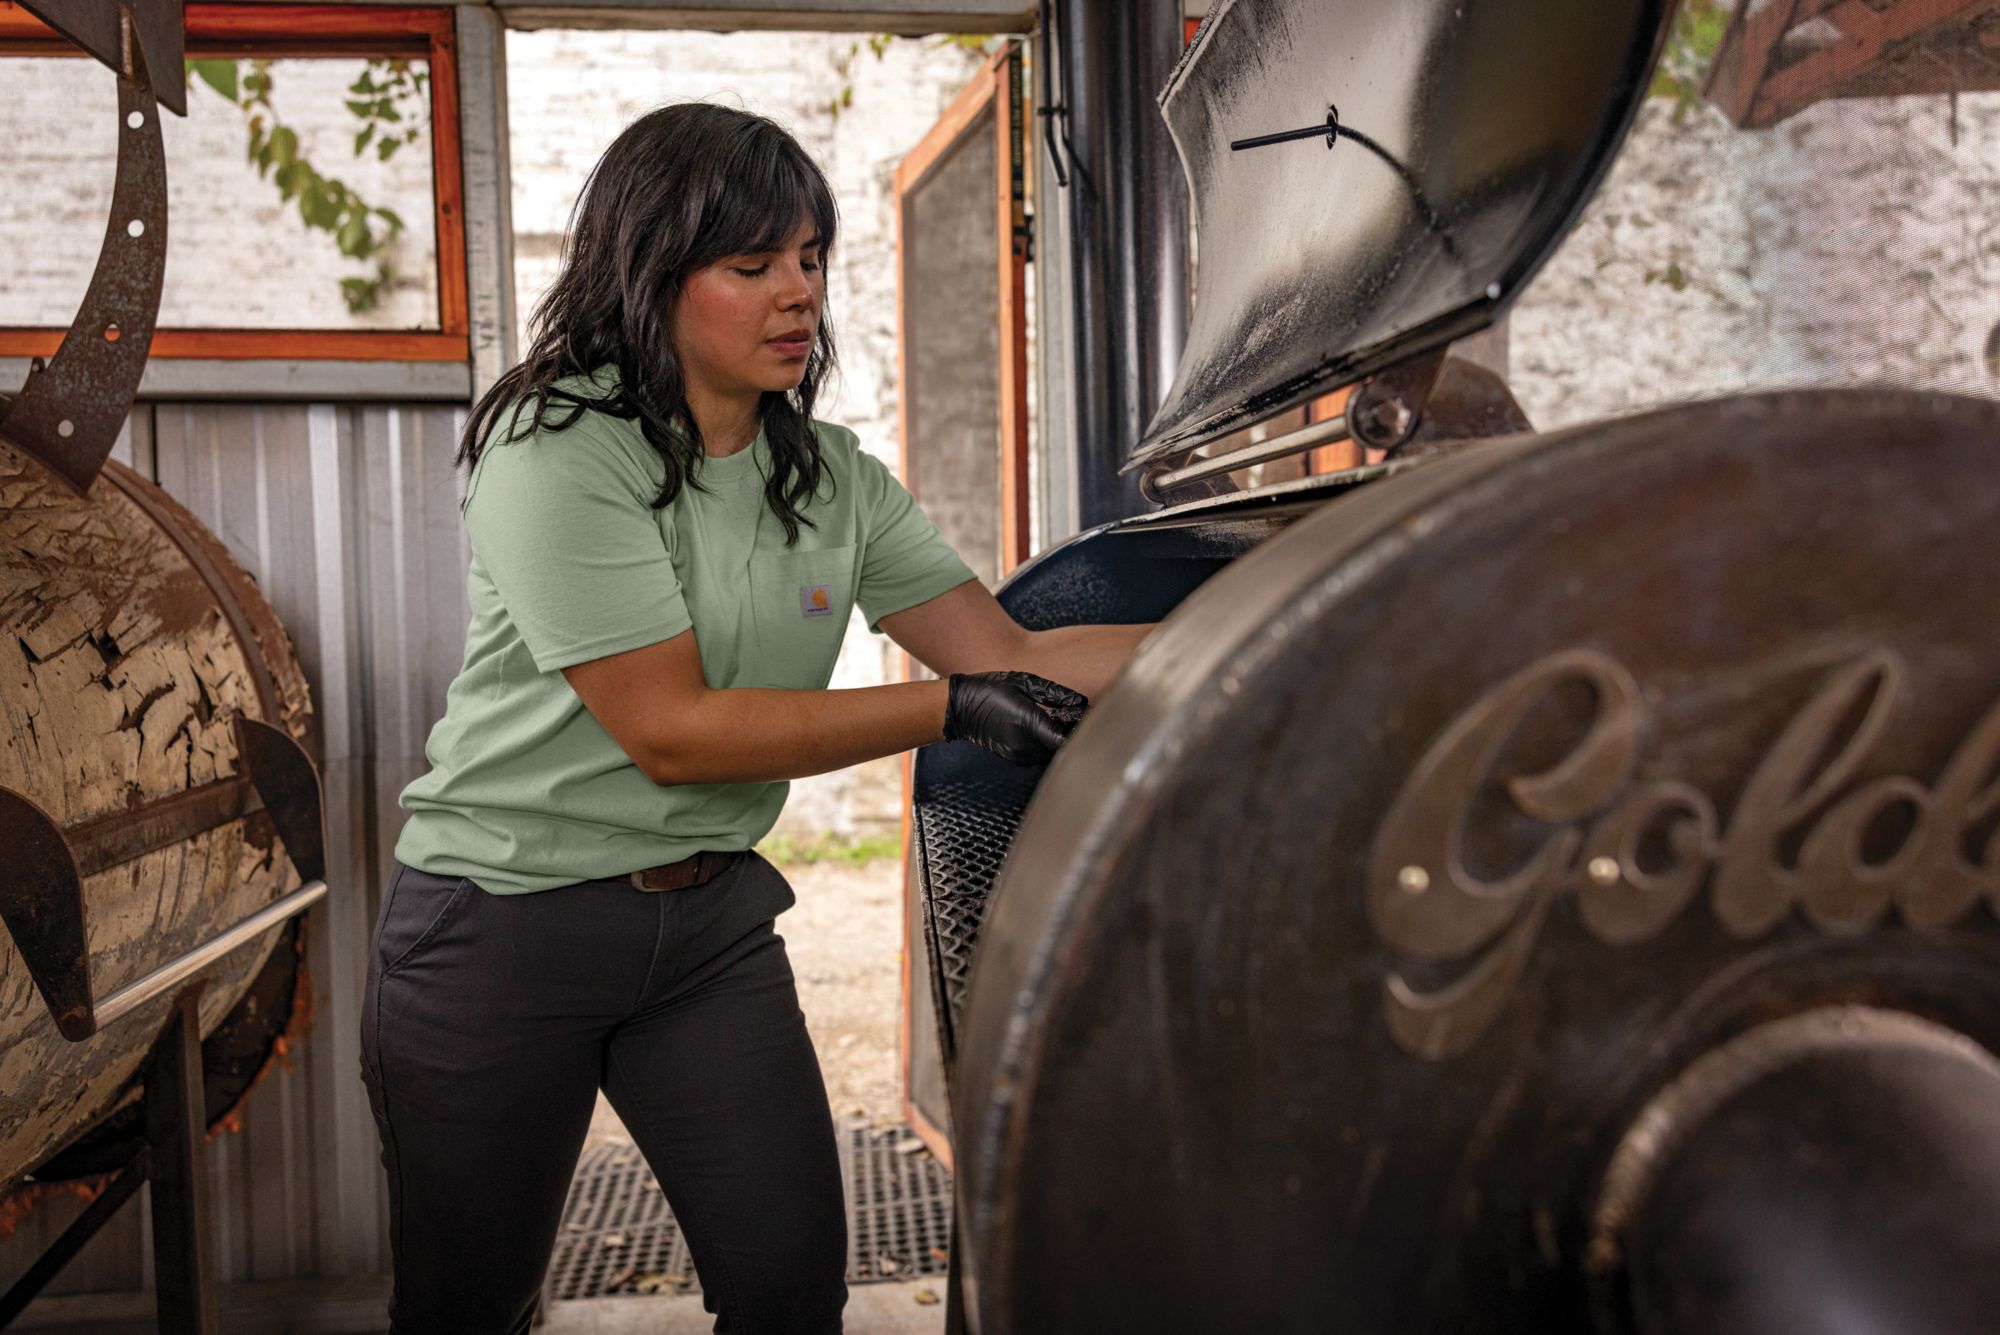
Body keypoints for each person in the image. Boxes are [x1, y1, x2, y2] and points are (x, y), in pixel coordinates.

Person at [360, 102, 1152, 1334]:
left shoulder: (830, 476)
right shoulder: (559, 448)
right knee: (470, 1307)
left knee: (787, 1291)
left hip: (708, 928)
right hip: (499, 933)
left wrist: (1253, 630)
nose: (798, 296)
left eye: (810, 261)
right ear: (651, 274)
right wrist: (945, 710)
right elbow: (670, 730)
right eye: (752, 266)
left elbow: (1008, 652)